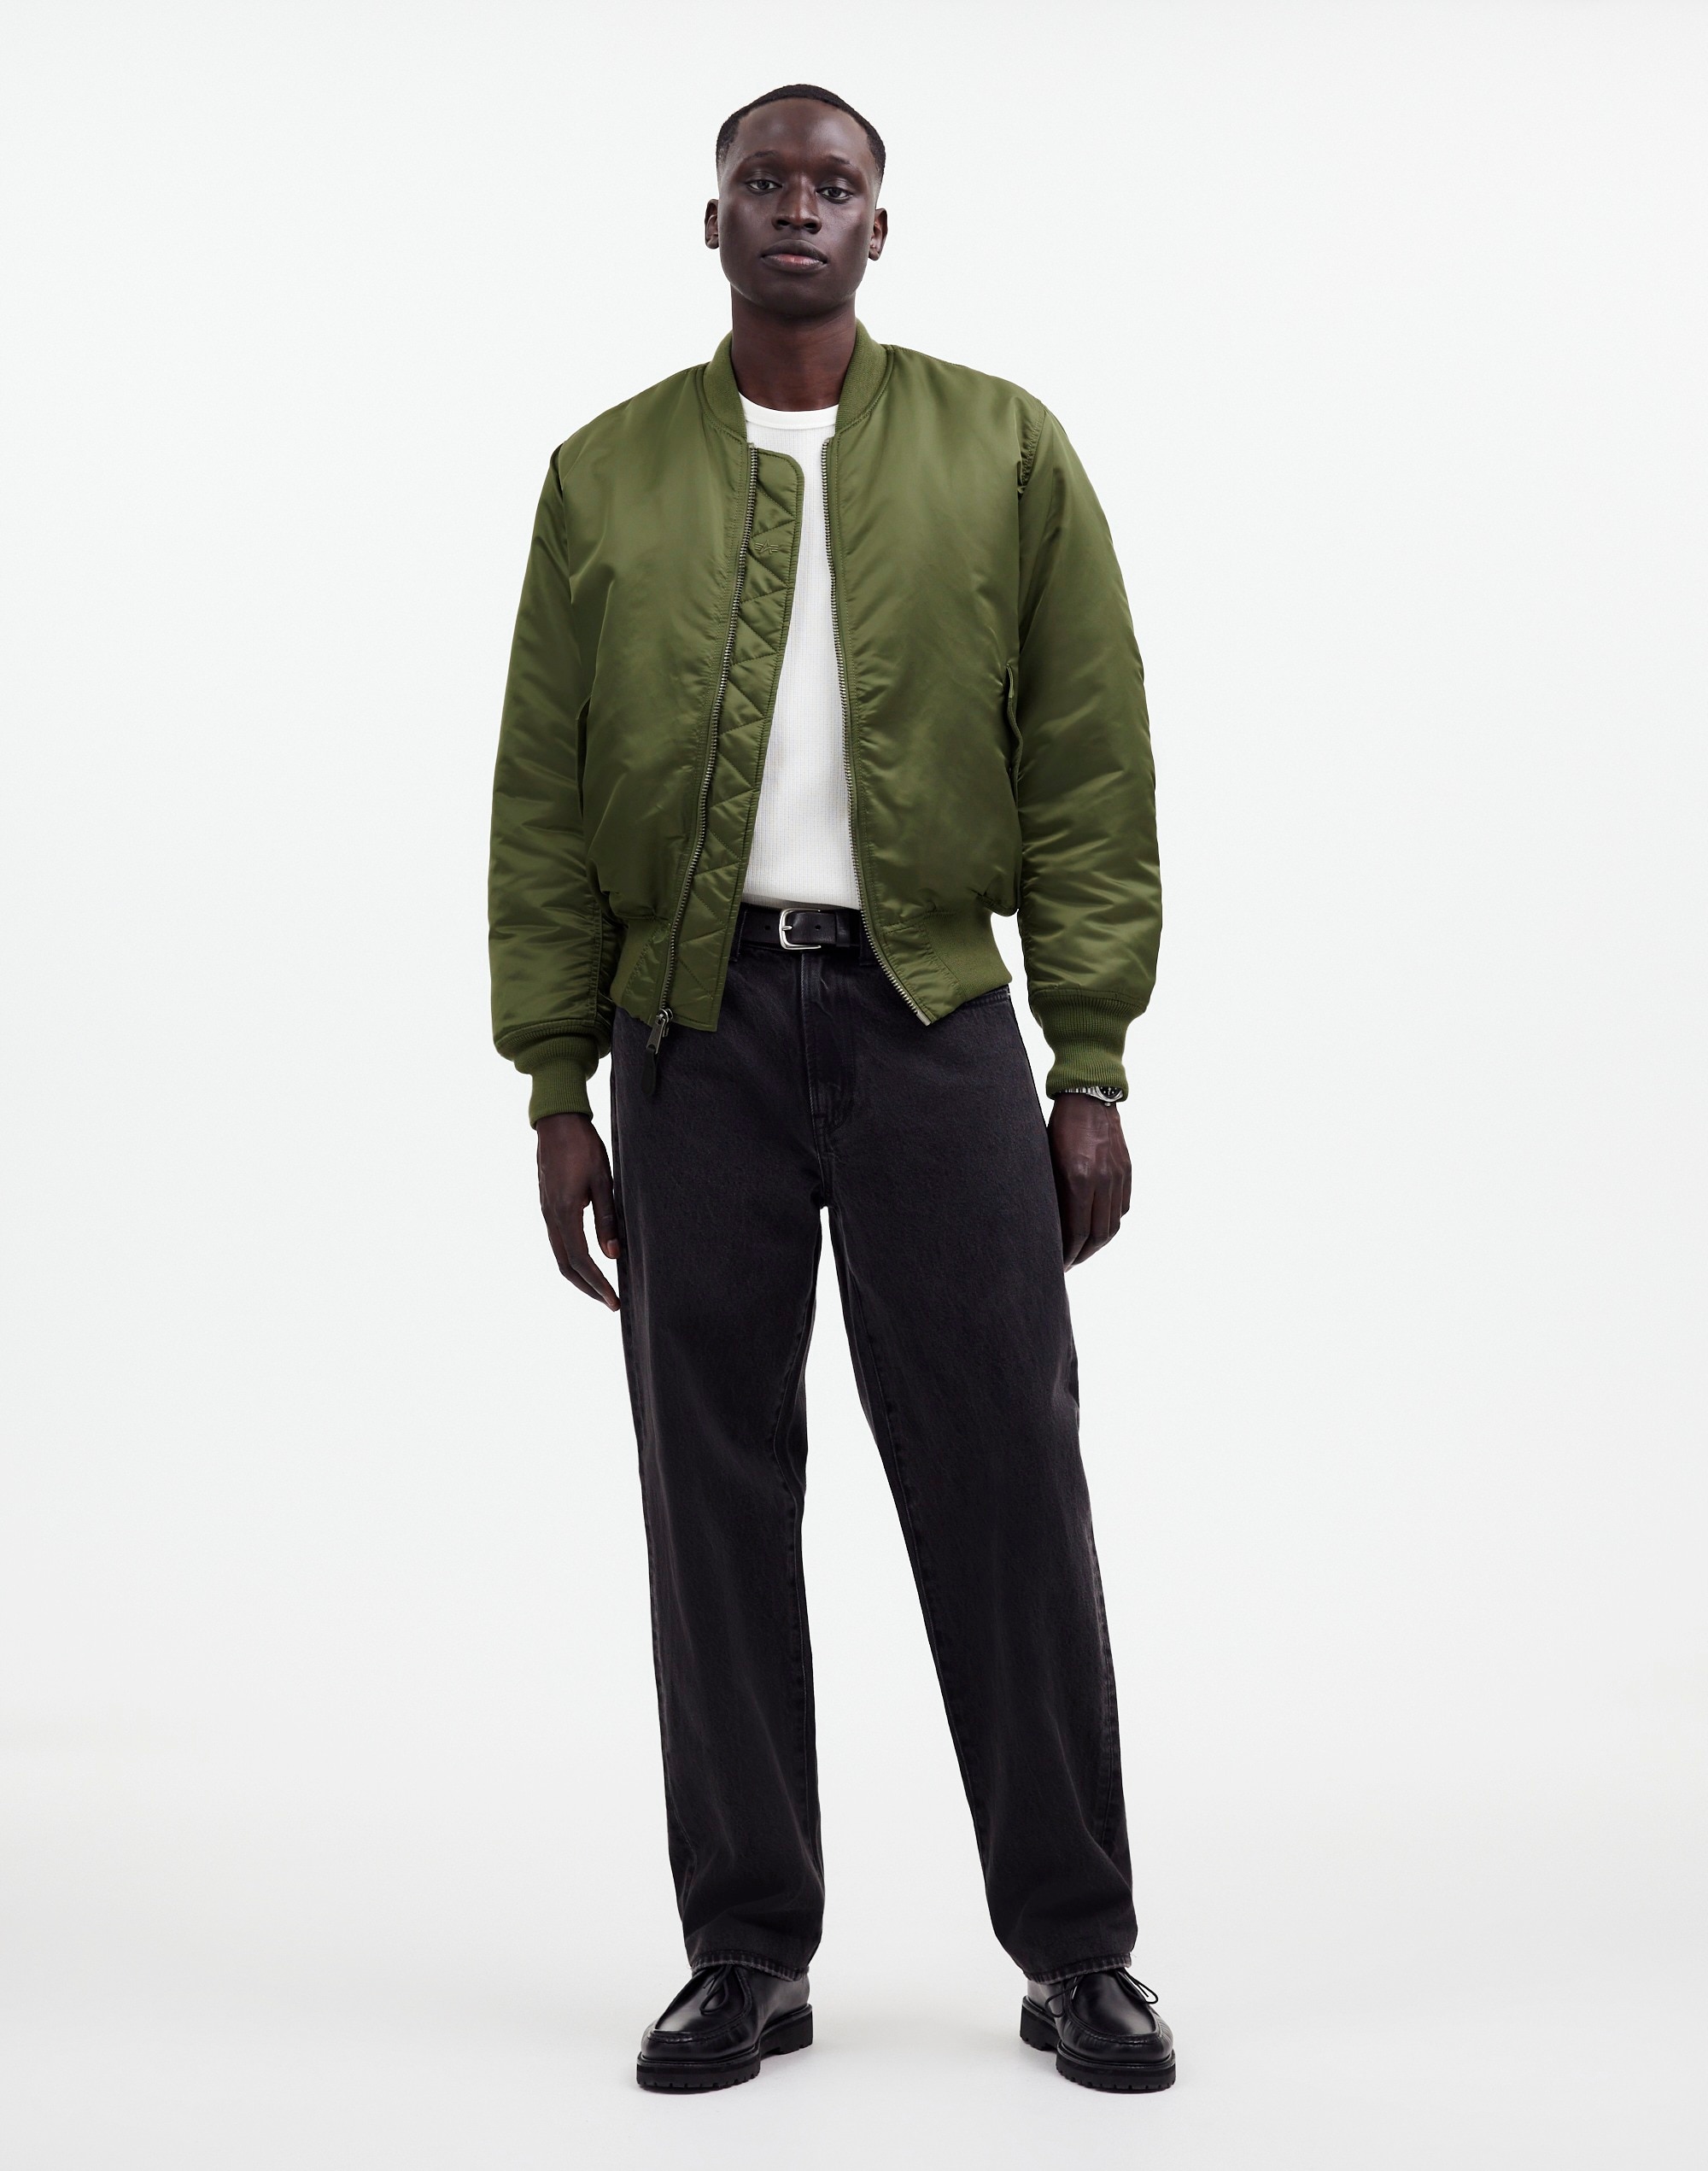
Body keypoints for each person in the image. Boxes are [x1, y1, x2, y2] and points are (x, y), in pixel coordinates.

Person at [488, 83, 1169, 2096]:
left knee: (1005, 1475)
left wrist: (1089, 1057)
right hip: (687, 1037)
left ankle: (1079, 1948)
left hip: (933, 1018)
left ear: (882, 227)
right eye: (761, 183)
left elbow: (1089, 768)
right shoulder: (603, 475)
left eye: (833, 184)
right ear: (710, 225)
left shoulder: (1002, 449)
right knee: (710, 1493)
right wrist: (555, 1081)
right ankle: (744, 1948)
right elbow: (541, 799)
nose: (796, 206)